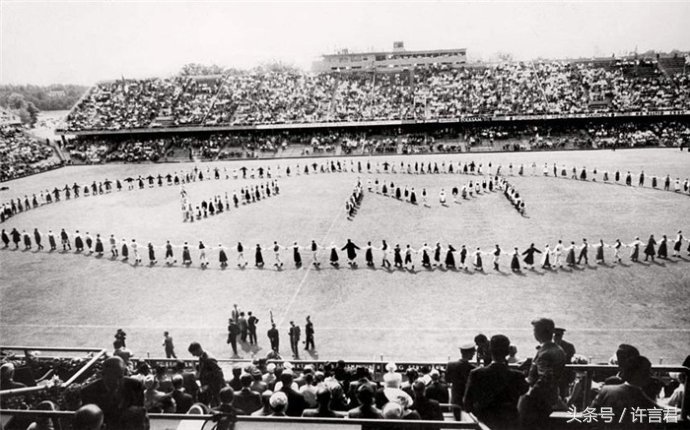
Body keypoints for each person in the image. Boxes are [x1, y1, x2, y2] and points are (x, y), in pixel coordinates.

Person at [464, 334, 529, 430]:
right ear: (507, 352)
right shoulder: (517, 376)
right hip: (509, 423)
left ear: (489, 351)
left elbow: (467, 403)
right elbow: (524, 392)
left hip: (485, 423)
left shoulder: (476, 374)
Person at [518, 318, 567, 429]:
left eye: (535, 330)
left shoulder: (544, 352)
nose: (534, 333)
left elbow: (546, 377)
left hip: (536, 403)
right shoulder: (559, 350)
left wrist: (528, 395)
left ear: (541, 332)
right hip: (551, 398)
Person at [80, 356, 144, 430]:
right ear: (102, 374)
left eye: (120, 377)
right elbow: (90, 423)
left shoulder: (135, 386)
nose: (116, 382)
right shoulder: (88, 392)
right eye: (111, 378)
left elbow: (140, 415)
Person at [188, 342, 226, 407]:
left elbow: (219, 373)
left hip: (214, 389)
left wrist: (210, 385)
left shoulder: (209, 359)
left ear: (198, 349)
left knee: (215, 406)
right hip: (208, 388)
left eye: (193, 353)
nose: (193, 355)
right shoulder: (202, 357)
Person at [446, 344, 476, 420]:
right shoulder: (472, 369)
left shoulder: (450, 365)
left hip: (455, 397)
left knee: (457, 420)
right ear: (469, 353)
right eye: (473, 352)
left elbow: (447, 380)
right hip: (467, 399)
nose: (474, 354)